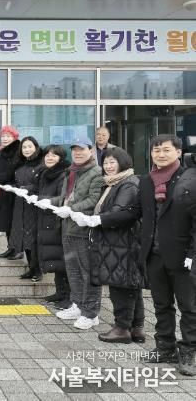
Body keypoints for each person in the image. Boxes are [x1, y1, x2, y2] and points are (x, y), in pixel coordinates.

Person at [99, 135, 195, 375]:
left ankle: (189, 352)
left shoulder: (189, 178)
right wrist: (100, 219)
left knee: (189, 307)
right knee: (162, 305)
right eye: (156, 150)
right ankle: (165, 348)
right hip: (153, 254)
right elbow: (134, 212)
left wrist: (192, 253)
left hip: (183, 255)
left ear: (178, 152)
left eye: (166, 150)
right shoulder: (147, 181)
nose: (160, 154)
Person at [80, 147, 145, 344]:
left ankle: (122, 328)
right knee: (130, 284)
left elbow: (121, 212)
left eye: (112, 162)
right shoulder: (112, 183)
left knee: (120, 285)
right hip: (116, 242)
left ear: (123, 163)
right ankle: (136, 327)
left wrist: (97, 220)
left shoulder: (128, 184)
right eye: (106, 162)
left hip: (122, 243)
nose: (108, 166)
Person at [44, 136, 104, 330]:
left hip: (84, 230)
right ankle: (78, 305)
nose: (77, 153)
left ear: (91, 151)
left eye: (82, 149)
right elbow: (66, 198)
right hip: (68, 228)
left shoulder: (96, 173)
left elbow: (94, 199)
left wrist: (70, 209)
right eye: (75, 149)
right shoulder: (72, 171)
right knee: (73, 271)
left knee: (88, 273)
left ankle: (91, 313)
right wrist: (48, 201)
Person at [35, 145, 71, 309]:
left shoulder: (63, 174)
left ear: (61, 158)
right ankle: (60, 292)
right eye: (47, 155)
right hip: (46, 219)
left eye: (54, 155)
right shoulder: (45, 173)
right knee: (55, 257)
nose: (49, 158)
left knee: (62, 259)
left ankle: (68, 296)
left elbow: (62, 198)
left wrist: (45, 200)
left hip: (57, 221)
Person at [9, 137, 44, 281]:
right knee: (24, 238)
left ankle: (38, 271)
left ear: (36, 147)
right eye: (24, 147)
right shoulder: (20, 164)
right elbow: (15, 183)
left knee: (33, 239)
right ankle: (31, 268)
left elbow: (41, 185)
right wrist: (12, 187)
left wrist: (27, 188)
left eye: (30, 146)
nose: (27, 149)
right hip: (20, 205)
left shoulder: (42, 165)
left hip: (34, 206)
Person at [0, 125, 21, 259]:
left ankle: (18, 250)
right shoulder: (1, 151)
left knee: (14, 221)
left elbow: (10, 172)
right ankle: (11, 247)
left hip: (12, 190)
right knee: (7, 220)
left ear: (14, 137)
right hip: (3, 189)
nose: (5, 138)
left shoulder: (16, 151)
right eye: (3, 136)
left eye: (8, 136)